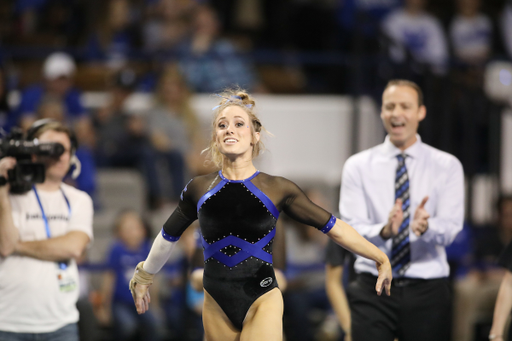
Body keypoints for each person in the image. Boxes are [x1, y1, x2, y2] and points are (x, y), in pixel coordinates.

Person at [128, 89, 392, 341]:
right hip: (215, 301)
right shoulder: (198, 188)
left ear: (255, 135)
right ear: (215, 138)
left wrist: (379, 256)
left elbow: (334, 227)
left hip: (261, 296)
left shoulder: (278, 188)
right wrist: (144, 275)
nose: (229, 128)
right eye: (222, 125)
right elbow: (167, 235)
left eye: (239, 123)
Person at [339, 79, 464, 341]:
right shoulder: (357, 166)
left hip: (428, 288)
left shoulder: (447, 165)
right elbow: (350, 229)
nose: (397, 113)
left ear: (420, 112)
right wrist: (384, 231)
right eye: (390, 106)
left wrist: (427, 228)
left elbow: (451, 229)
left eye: (405, 106)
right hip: (371, 285)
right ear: (382, 112)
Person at [0, 119, 94, 340]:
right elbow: (5, 246)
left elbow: (72, 248)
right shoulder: (8, 194)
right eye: (51, 147)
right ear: (32, 151)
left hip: (61, 323)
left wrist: (18, 245)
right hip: (8, 322)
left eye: (65, 149)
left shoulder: (79, 200)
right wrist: (2, 192)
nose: (60, 155)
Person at [97, 210, 161, 341]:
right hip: (121, 303)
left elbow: (153, 280)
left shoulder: (148, 250)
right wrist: (104, 307)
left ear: (143, 230)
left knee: (155, 324)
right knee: (127, 326)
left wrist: (155, 306)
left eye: (136, 227)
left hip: (143, 302)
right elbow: (109, 279)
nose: (133, 232)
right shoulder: (116, 250)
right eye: (127, 228)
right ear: (119, 233)